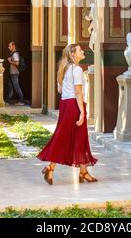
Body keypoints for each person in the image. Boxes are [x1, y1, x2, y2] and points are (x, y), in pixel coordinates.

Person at [37, 43, 97, 185]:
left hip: (65, 104)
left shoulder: (64, 69)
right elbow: (77, 92)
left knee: (78, 138)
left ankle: (83, 172)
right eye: (80, 50)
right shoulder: (76, 70)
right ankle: (50, 167)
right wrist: (82, 112)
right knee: (64, 137)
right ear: (72, 54)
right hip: (73, 105)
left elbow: (59, 90)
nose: (83, 51)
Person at [6, 41, 25, 106]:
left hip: (14, 73)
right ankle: (8, 101)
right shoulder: (13, 54)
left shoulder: (15, 54)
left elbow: (17, 63)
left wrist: (10, 61)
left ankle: (21, 101)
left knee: (17, 87)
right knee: (10, 87)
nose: (8, 47)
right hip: (12, 73)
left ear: (13, 46)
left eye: (9, 46)